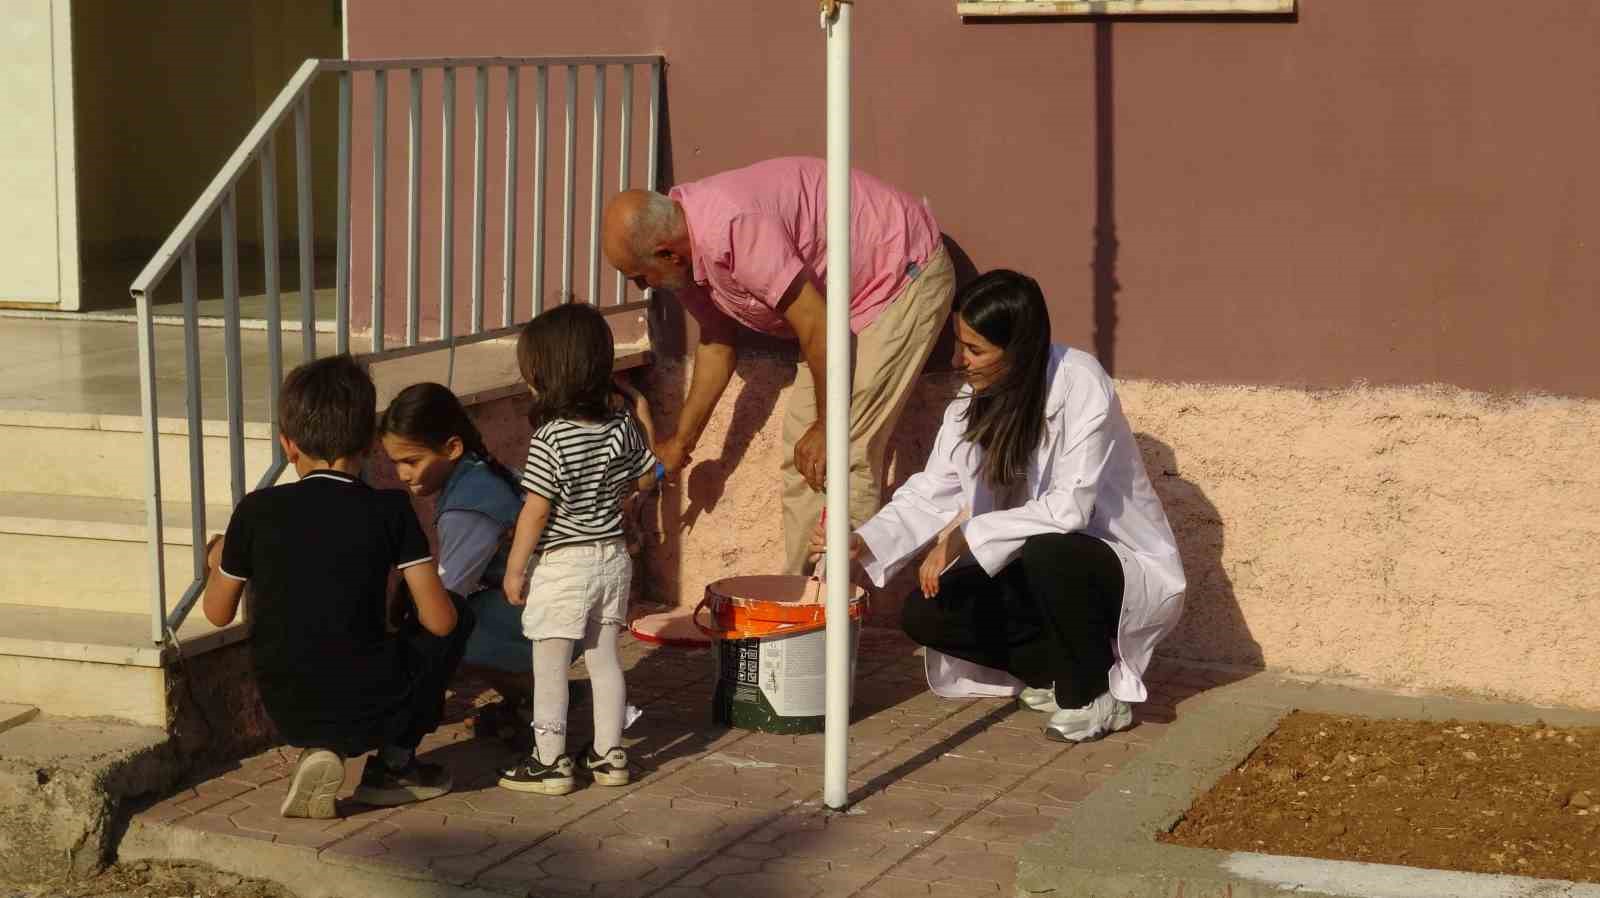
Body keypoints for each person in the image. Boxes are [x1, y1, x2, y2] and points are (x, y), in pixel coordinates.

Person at [809, 271, 1186, 743]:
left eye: (974, 349)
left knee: (1052, 550)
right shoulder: (977, 398)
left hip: (1106, 565)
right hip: (1031, 563)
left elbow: (1070, 509)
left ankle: (1093, 693)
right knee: (926, 615)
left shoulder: (1081, 382)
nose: (958, 360)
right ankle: (1056, 672)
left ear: (1019, 349)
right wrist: (865, 539)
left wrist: (967, 534)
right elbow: (935, 486)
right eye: (960, 343)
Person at [601, 157, 956, 573]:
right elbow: (717, 342)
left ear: (666, 254)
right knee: (802, 455)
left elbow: (817, 324)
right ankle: (804, 601)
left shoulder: (733, 228)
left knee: (845, 451)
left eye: (640, 276)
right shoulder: (685, 256)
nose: (643, 288)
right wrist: (682, 440)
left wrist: (826, 425)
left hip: (898, 278)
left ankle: (835, 615)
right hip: (836, 313)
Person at [201, 355, 473, 819]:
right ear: (370, 441)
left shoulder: (254, 511)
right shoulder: (390, 510)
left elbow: (216, 612)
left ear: (288, 445)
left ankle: (321, 750)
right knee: (459, 615)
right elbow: (439, 620)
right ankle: (394, 765)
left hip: (286, 706)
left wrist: (218, 557)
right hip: (369, 701)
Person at [497, 303, 660, 796]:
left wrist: (514, 568)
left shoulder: (550, 439)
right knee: (605, 657)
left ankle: (550, 761)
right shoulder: (621, 426)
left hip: (564, 566)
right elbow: (649, 473)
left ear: (547, 375)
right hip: (612, 559)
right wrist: (627, 503)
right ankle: (610, 755)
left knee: (549, 666)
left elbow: (536, 510)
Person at [379, 382, 533, 739]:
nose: (403, 475)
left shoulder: (468, 506)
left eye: (411, 461)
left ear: (451, 448)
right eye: (396, 462)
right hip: (550, 606)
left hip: (546, 616)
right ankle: (535, 694)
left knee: (444, 622)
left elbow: (448, 598)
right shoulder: (479, 473)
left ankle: (536, 701)